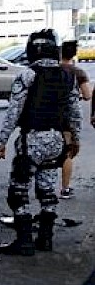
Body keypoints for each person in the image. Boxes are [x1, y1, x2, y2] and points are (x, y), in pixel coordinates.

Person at [0, 29, 81, 256]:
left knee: (19, 190)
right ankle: (45, 239)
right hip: (56, 141)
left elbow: (14, 111)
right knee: (47, 190)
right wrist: (75, 140)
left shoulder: (28, 75)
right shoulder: (68, 76)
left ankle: (24, 241)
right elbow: (75, 113)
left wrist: (2, 140)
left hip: (32, 139)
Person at [59, 40, 91, 199]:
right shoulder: (78, 72)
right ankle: (65, 189)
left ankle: (44, 187)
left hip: (51, 114)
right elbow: (88, 95)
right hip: (71, 115)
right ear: (74, 53)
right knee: (68, 152)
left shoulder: (52, 70)